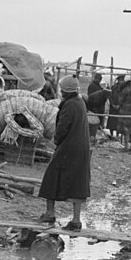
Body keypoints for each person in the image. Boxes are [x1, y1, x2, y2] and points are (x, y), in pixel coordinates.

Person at [37, 75, 90, 231]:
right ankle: (76, 220)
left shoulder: (69, 105)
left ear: (65, 91)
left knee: (51, 177)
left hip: (69, 147)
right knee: (77, 182)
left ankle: (50, 213)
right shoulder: (80, 103)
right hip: (81, 148)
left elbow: (62, 128)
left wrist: (56, 140)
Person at [86, 73, 109, 143]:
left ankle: (96, 136)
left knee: (98, 123)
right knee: (94, 123)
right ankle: (92, 136)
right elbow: (92, 98)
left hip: (98, 107)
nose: (98, 81)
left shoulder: (97, 86)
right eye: (98, 79)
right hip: (94, 107)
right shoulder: (92, 86)